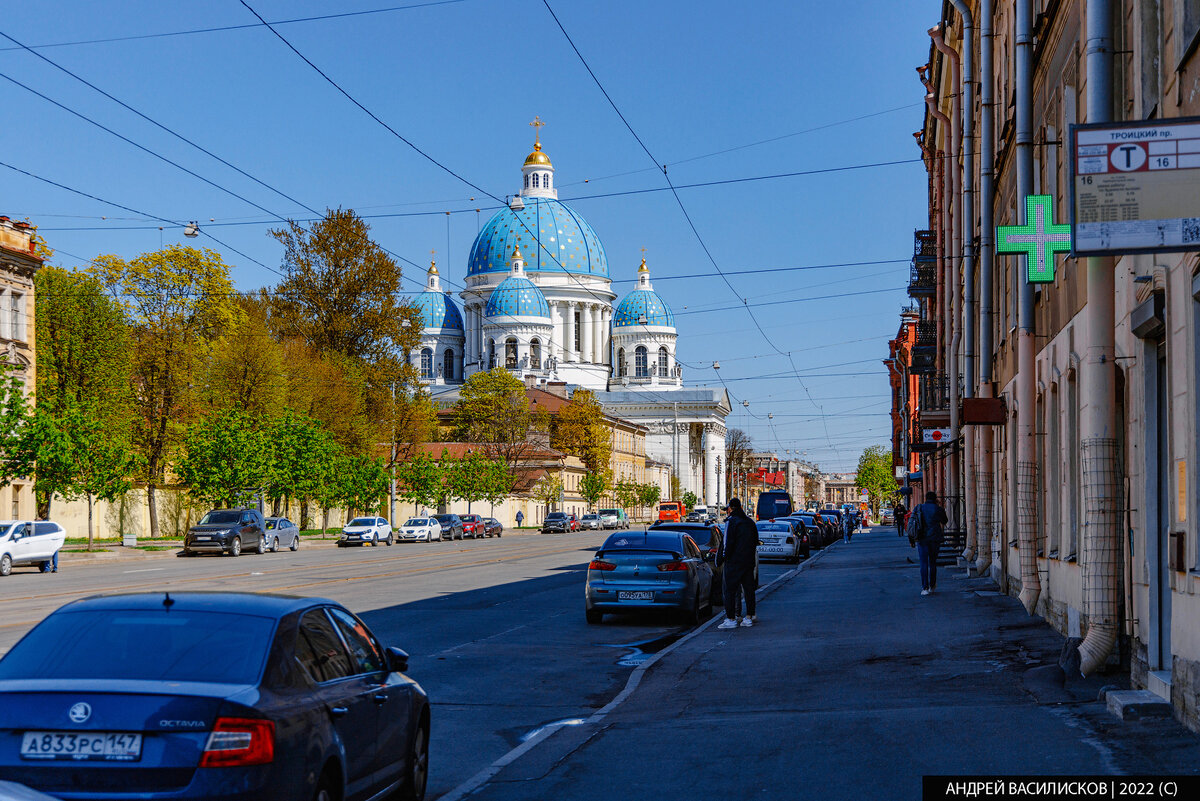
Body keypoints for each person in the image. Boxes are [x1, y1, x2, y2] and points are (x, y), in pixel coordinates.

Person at [716, 497, 758, 629]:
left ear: (730, 508)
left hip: (734, 562)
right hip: (748, 561)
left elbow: (727, 543)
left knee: (730, 591)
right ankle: (749, 617)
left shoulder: (731, 522)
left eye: (727, 509)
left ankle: (731, 619)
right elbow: (755, 541)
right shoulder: (750, 522)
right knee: (749, 590)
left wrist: (724, 558)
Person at [907, 491, 948, 595]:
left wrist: (911, 540)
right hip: (934, 539)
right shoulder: (938, 509)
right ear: (935, 499)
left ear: (925, 498)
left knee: (923, 563)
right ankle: (932, 586)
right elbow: (945, 521)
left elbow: (912, 524)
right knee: (933, 563)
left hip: (922, 539)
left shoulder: (918, 508)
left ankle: (924, 588)